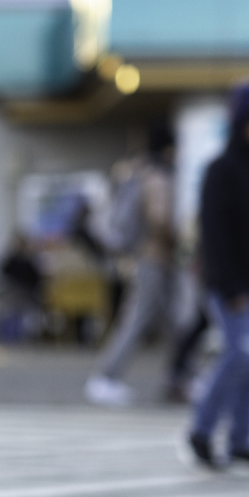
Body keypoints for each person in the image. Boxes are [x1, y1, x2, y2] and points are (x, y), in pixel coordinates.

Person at [187, 83, 249, 469]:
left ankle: (241, 440)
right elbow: (214, 235)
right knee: (242, 353)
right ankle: (201, 430)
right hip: (231, 286)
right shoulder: (222, 170)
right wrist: (231, 285)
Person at [85, 123, 178, 406]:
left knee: (174, 320)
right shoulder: (157, 176)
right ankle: (106, 376)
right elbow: (159, 219)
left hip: (141, 255)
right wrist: (176, 241)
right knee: (139, 318)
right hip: (153, 257)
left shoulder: (135, 171)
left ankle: (179, 376)